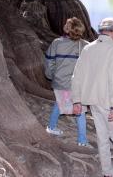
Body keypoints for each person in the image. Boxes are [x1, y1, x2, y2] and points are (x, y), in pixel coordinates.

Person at [72, 17, 113, 177]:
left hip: (94, 103)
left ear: (100, 32)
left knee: (103, 138)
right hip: (111, 104)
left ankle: (106, 172)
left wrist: (76, 100)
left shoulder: (88, 48)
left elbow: (77, 76)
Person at [44, 17, 90, 147]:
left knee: (60, 103)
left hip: (60, 83)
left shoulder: (56, 43)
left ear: (68, 29)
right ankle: (82, 140)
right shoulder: (86, 46)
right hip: (77, 85)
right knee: (80, 111)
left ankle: (51, 127)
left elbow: (49, 62)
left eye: (66, 24)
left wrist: (53, 75)